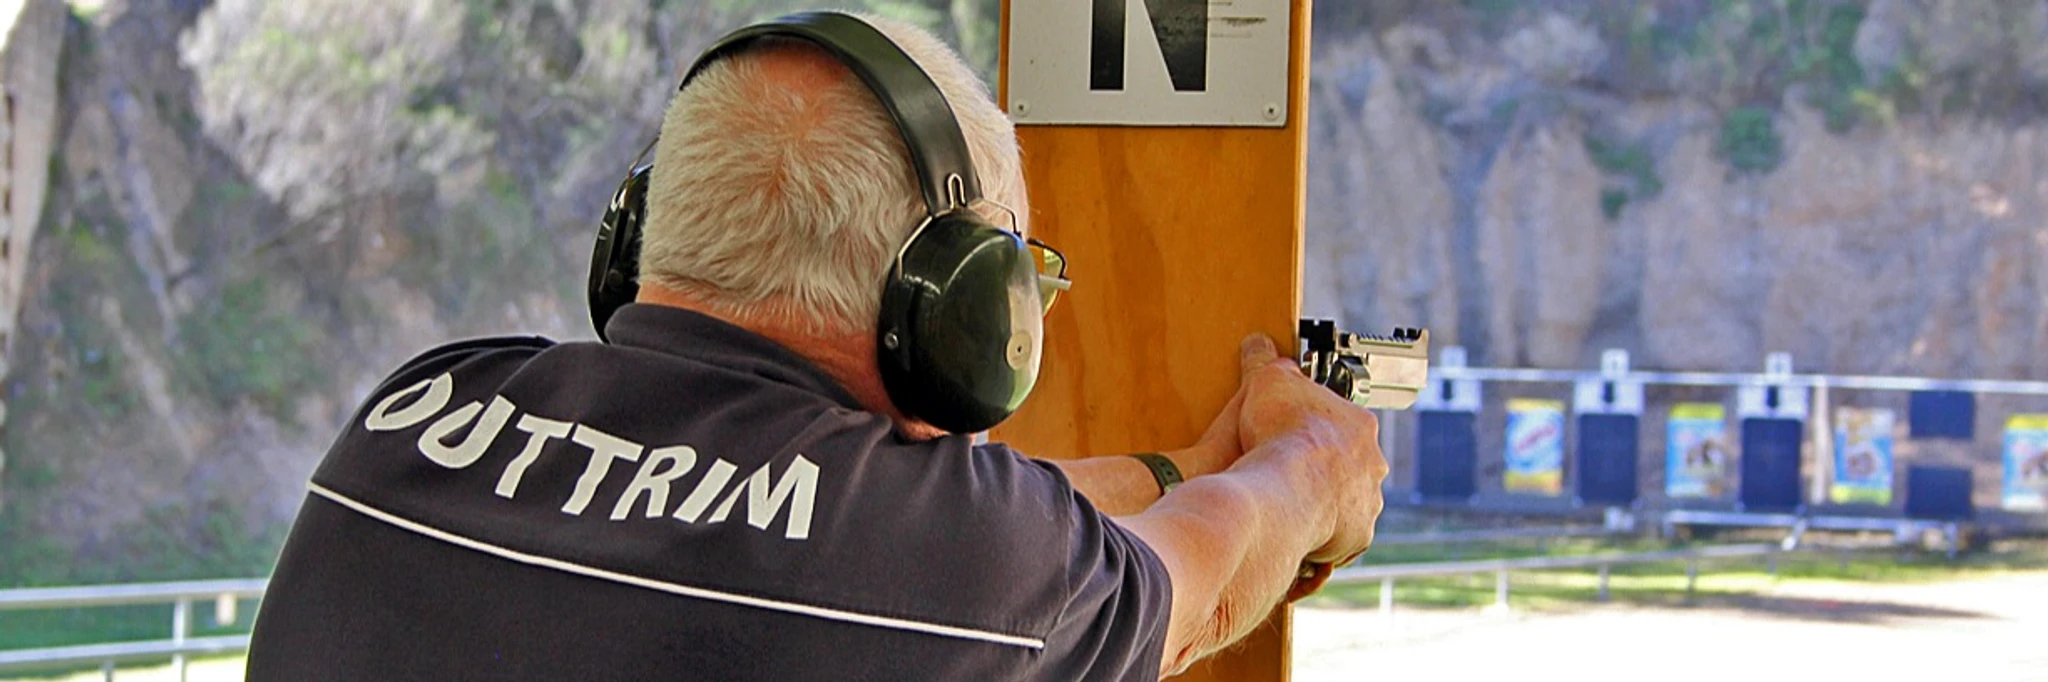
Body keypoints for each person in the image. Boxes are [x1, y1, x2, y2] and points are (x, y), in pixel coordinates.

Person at [245, 11, 1386, 681]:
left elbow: (870, 516)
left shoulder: (413, 415)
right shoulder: (957, 564)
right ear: (956, 306)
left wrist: (1177, 466)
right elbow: (1208, 576)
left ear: (640, 235)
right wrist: (1310, 468)